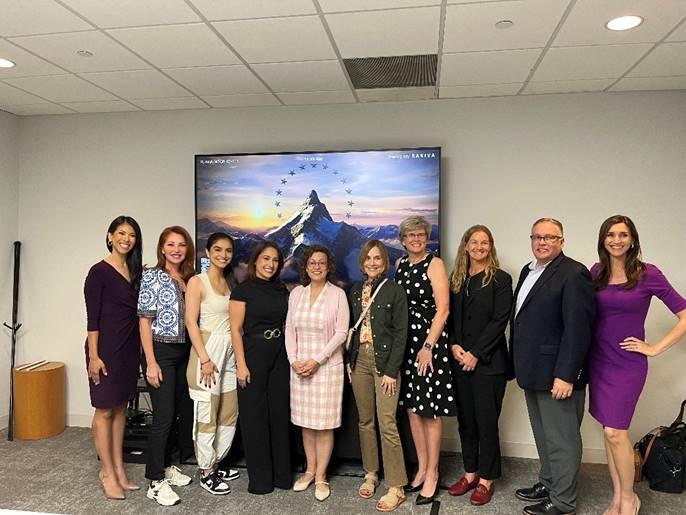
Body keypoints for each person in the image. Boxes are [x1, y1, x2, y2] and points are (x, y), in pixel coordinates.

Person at [588, 215, 686, 515]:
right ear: (603, 239)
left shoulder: (648, 274)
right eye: (611, 234)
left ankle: (630, 498)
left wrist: (654, 347)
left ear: (633, 240)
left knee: (617, 432)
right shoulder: (597, 272)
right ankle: (618, 496)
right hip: (598, 360)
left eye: (623, 235)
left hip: (627, 364)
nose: (617, 240)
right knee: (608, 431)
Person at [510, 218, 595, 515]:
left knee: (563, 440)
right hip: (532, 369)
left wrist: (566, 374)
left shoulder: (573, 273)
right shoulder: (528, 270)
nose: (542, 242)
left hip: (558, 374)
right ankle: (548, 483)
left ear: (561, 240)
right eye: (537, 236)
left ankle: (563, 501)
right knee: (544, 435)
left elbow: (578, 329)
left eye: (549, 237)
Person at [446, 225, 512, 506]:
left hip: (489, 364)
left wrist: (476, 353)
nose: (479, 247)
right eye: (474, 242)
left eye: (485, 243)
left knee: (486, 423)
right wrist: (454, 345)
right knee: (466, 423)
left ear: (491, 247)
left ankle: (487, 479)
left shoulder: (500, 279)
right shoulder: (457, 279)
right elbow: (450, 317)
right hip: (460, 361)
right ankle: (470, 473)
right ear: (466, 246)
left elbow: (500, 321)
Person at [394, 216, 455, 506]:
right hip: (406, 343)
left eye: (421, 234)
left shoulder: (435, 264)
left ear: (426, 237)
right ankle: (420, 467)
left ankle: (433, 473)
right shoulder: (400, 265)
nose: (416, 239)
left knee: (429, 409)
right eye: (411, 235)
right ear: (403, 240)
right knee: (412, 410)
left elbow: (443, 310)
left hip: (428, 344)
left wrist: (428, 346)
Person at [84, 215, 143, 500]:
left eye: (131, 235)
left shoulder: (134, 271)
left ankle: (119, 469)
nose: (126, 239)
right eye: (121, 233)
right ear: (109, 236)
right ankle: (106, 472)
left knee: (120, 409)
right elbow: (92, 318)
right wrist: (94, 356)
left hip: (128, 349)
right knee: (105, 410)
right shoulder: (98, 272)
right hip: (104, 349)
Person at [348, 239, 408, 512]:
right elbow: (351, 327)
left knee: (387, 422)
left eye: (378, 258)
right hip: (359, 360)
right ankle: (371, 472)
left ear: (384, 262)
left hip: (385, 363)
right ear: (362, 262)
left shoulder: (394, 290)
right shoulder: (355, 289)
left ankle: (396, 485)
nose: (373, 262)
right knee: (365, 420)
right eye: (368, 258)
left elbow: (400, 334)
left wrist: (392, 370)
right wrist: (350, 361)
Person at [286, 245, 349, 502]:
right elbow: (289, 329)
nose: (317, 266)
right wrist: (293, 360)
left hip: (326, 368)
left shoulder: (337, 295)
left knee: (323, 426)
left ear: (328, 266)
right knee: (306, 423)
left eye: (321, 262)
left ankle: (321, 475)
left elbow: (341, 333)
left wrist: (317, 360)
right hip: (300, 368)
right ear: (305, 266)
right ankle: (309, 470)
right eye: (312, 262)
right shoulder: (296, 294)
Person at [138, 226, 196, 506]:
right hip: (160, 351)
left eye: (181, 245)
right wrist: (150, 361)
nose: (176, 249)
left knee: (178, 413)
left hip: (184, 351)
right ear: (162, 248)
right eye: (171, 244)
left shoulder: (188, 278)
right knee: (163, 416)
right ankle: (154, 480)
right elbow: (144, 321)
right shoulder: (152, 276)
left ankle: (166, 465)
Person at [229, 241, 291, 494]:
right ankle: (261, 481)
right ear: (256, 261)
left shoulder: (280, 288)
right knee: (254, 417)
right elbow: (235, 329)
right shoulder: (243, 290)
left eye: (275, 260)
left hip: (279, 353)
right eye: (266, 259)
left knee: (278, 414)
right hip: (253, 353)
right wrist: (241, 365)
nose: (270, 264)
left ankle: (282, 477)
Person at [185, 233, 240, 495]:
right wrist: (205, 358)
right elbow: (190, 322)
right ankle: (206, 471)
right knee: (207, 415)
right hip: (208, 352)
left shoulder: (230, 281)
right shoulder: (198, 281)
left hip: (229, 351)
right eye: (217, 249)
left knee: (228, 412)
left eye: (228, 250)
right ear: (208, 252)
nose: (223, 255)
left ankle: (217, 462)